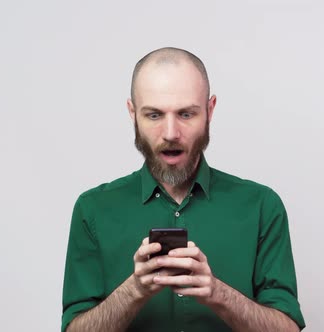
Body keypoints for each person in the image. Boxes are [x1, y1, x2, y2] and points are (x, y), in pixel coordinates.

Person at [61, 47, 306, 332]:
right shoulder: (93, 209)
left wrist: (217, 293)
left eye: (186, 114)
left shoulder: (262, 206)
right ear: (132, 113)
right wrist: (134, 290)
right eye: (153, 115)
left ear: (210, 110)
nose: (170, 133)